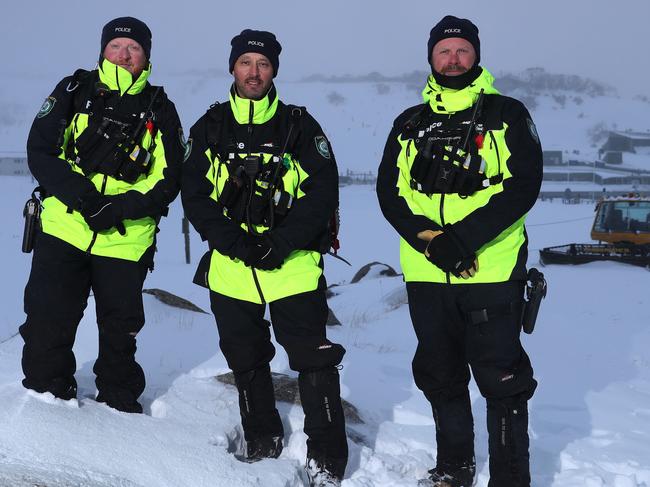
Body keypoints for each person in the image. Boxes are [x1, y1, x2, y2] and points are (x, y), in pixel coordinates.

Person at [377, 15, 542, 487]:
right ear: (430, 57)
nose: (452, 59)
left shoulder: (507, 114)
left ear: (476, 56)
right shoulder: (409, 122)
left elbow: (522, 187)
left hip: (489, 273)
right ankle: (454, 469)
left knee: (502, 381)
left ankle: (510, 479)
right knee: (441, 375)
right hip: (428, 275)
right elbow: (390, 195)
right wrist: (432, 242)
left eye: (462, 50)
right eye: (444, 51)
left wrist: (461, 241)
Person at [181, 29, 347, 486]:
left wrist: (283, 241)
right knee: (246, 357)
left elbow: (322, 189)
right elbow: (193, 194)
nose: (254, 73)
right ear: (232, 68)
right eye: (246, 63)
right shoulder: (210, 126)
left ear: (274, 70)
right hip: (233, 266)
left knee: (314, 360)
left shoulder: (298, 125)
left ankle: (328, 459)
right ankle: (262, 440)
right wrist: (233, 242)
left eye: (263, 64)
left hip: (291, 265)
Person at [21, 17, 184, 414]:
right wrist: (84, 198)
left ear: (146, 56)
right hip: (64, 229)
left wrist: (118, 208)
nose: (124, 55)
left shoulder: (160, 108)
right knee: (47, 320)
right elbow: (41, 150)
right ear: (103, 50)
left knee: (119, 333)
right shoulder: (74, 90)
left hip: (126, 240)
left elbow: (169, 177)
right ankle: (48, 396)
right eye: (116, 46)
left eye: (134, 48)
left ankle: (117, 403)